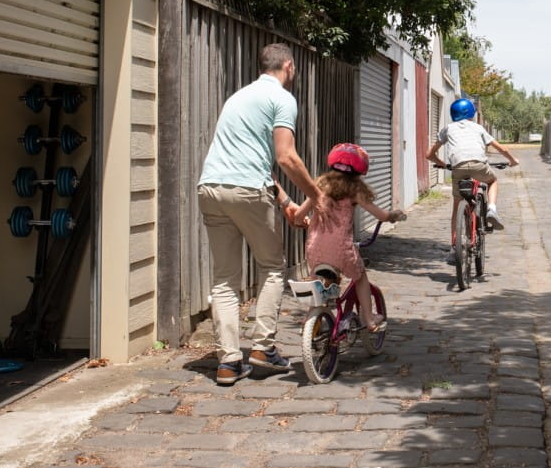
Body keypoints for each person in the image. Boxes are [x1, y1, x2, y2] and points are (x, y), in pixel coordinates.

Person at [198, 43, 331, 385]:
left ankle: (228, 362)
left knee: (225, 279)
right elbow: (285, 157)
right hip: (247, 191)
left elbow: (255, 161)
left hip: (211, 187)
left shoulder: (238, 97)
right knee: (272, 267)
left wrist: (287, 203)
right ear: (288, 66)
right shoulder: (282, 98)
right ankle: (263, 348)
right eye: (294, 68)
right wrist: (316, 195)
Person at [297, 143, 405, 332]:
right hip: (341, 249)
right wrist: (393, 215)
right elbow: (381, 216)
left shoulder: (319, 185)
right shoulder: (355, 189)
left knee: (320, 281)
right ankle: (369, 319)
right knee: (360, 277)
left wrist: (304, 220)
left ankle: (311, 319)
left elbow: (299, 214)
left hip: (315, 249)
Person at [426, 98, 519, 259]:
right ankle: (491, 210)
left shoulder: (447, 129)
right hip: (479, 165)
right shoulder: (478, 128)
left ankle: (454, 247)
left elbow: (429, 155)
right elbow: (501, 148)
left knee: (456, 207)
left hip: (458, 168)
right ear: (471, 113)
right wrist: (513, 160)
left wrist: (443, 164)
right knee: (492, 181)